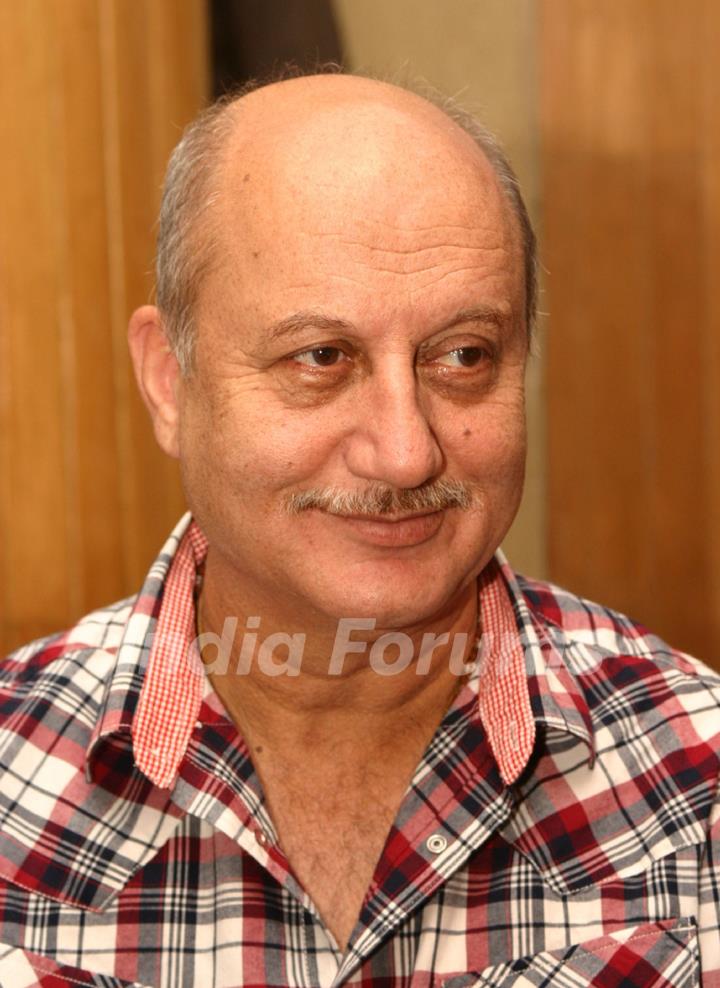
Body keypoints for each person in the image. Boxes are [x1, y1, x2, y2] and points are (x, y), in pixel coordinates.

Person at [0, 70, 718, 988]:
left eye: (463, 356)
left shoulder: (696, 780)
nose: (405, 452)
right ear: (169, 381)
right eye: (320, 358)